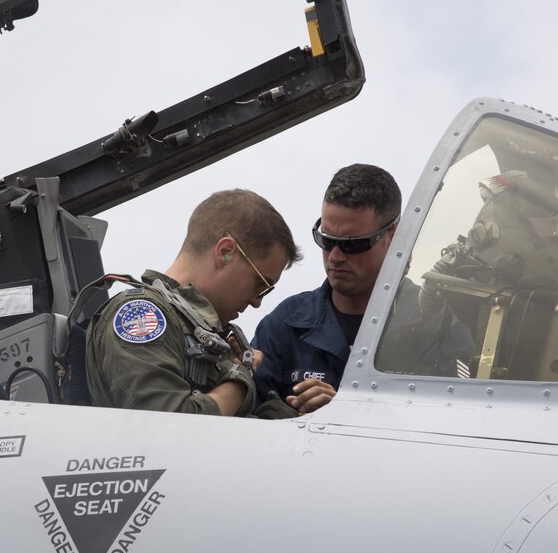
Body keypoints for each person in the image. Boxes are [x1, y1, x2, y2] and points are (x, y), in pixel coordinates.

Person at [252, 164, 472, 416]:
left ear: (394, 237)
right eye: (326, 240)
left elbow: (456, 421)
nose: (334, 257)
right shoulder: (286, 325)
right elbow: (249, 419)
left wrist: (349, 413)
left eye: (353, 244)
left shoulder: (440, 327)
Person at [86, 188, 301, 417]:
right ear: (226, 252)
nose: (257, 301)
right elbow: (167, 424)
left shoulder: (207, 335)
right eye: (259, 283)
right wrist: (240, 380)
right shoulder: (141, 314)